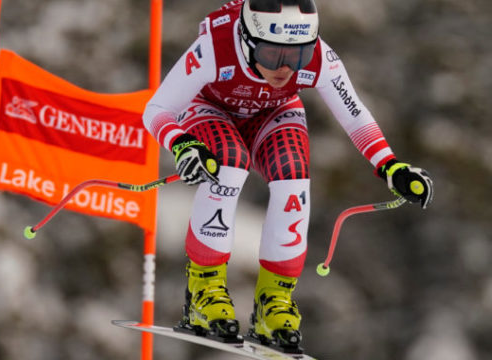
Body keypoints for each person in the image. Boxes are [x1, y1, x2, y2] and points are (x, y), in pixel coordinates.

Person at [142, 0, 434, 353]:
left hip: (274, 111)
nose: (283, 68)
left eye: (296, 57)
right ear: (248, 41)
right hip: (210, 109)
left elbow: (355, 115)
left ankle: (274, 303)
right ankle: (204, 292)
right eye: (270, 55)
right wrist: (181, 143)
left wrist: (390, 166)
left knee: (293, 175)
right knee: (229, 164)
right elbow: (157, 109)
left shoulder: (319, 57)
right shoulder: (215, 49)